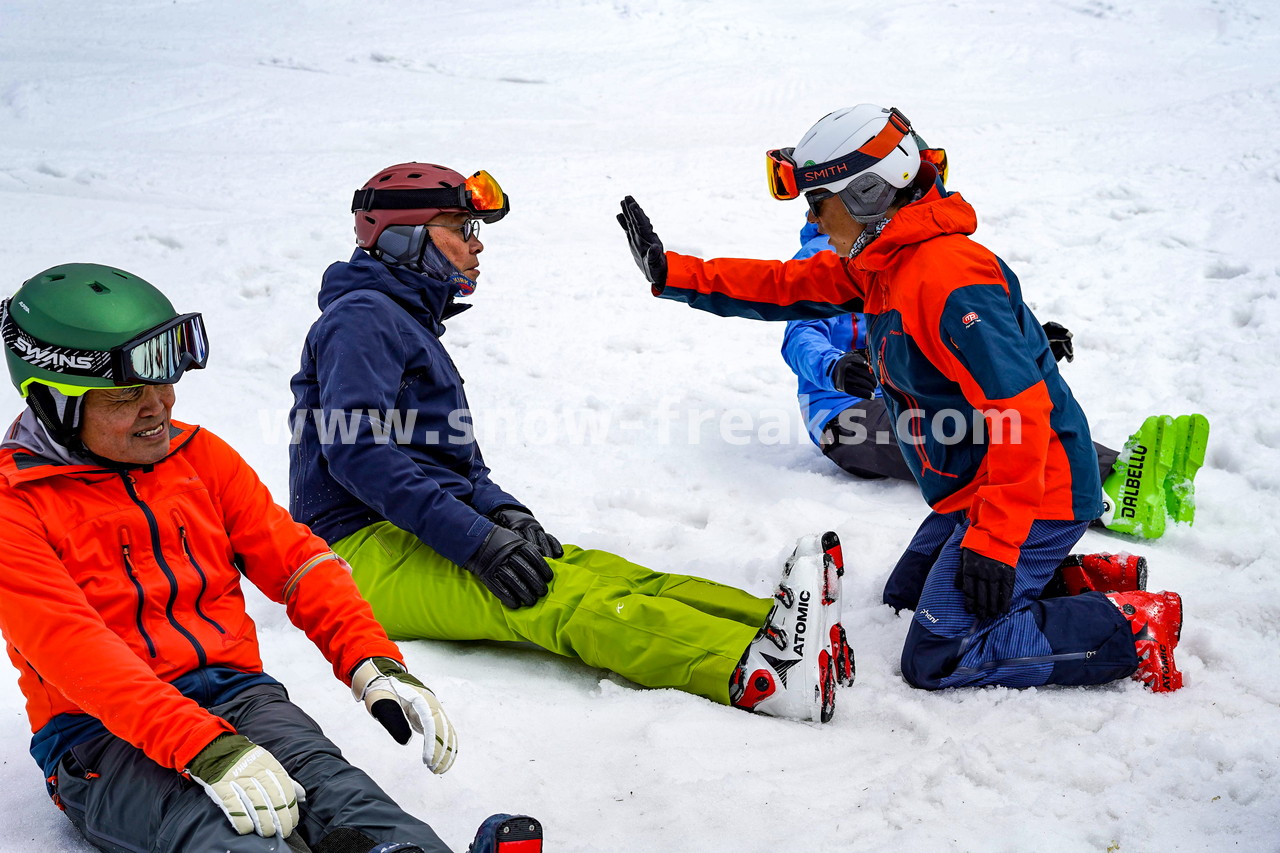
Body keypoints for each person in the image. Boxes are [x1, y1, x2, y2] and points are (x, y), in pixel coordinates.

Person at [617, 104, 1190, 693]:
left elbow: (1022, 416)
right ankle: (1076, 584)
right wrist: (675, 273)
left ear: (868, 193)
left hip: (1039, 490)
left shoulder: (944, 276)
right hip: (977, 487)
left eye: (819, 203)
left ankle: (1130, 628)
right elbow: (790, 288)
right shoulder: (887, 264)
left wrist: (996, 541)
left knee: (938, 655)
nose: (814, 219)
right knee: (905, 599)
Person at [287, 163, 851, 727]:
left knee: (606, 573)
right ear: (403, 236)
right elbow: (357, 453)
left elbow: (455, 465)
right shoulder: (361, 319)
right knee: (555, 600)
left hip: (407, 529)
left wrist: (501, 512)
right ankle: (755, 671)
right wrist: (477, 542)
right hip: (354, 554)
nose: (476, 247)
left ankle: (780, 628)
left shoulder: (401, 324)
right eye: (462, 229)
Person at [0, 263, 533, 853]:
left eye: (165, 384)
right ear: (52, 399)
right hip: (100, 736)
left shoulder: (197, 457)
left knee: (348, 804)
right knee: (233, 835)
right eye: (128, 393)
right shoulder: (14, 506)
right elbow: (75, 651)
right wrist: (205, 748)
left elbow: (298, 561)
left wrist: (371, 660)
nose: (158, 407)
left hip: (240, 694)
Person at [782, 219, 1209, 543]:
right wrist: (835, 367)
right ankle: (1112, 491)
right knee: (972, 433)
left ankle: (1126, 468)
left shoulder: (898, 259)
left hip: (902, 394)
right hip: (846, 418)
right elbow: (799, 335)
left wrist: (1027, 342)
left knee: (1001, 411)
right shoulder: (827, 256)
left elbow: (949, 325)